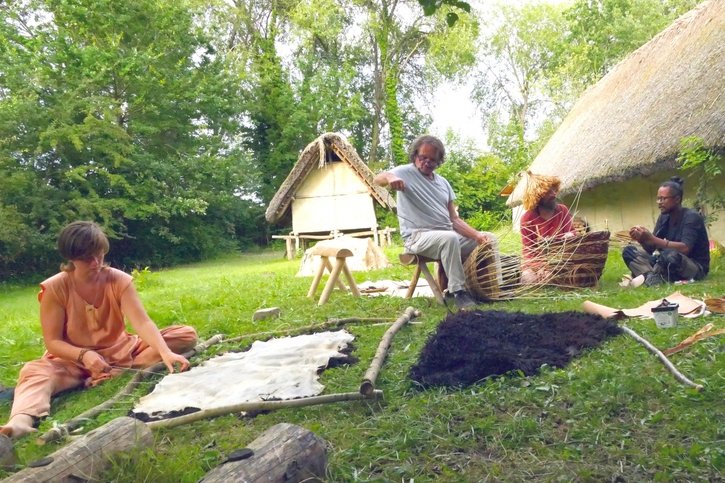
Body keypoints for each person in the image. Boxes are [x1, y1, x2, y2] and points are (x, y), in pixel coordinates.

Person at [0, 221, 198, 439]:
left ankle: (110, 372)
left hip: (121, 351)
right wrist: (85, 355)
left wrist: (164, 351)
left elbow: (142, 323)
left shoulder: (118, 280)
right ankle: (20, 421)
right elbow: (53, 342)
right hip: (71, 362)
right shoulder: (55, 288)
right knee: (34, 371)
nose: (95, 263)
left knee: (184, 334)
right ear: (71, 258)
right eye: (87, 258)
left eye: (99, 255)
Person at [373, 135, 501, 309]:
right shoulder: (405, 172)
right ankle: (459, 292)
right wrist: (390, 178)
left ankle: (493, 286)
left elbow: (454, 219)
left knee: (489, 238)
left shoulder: (443, 183)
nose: (426, 162)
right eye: (422, 157)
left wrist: (477, 236)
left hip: (447, 235)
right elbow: (376, 179)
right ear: (415, 155)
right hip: (417, 238)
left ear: (439, 161)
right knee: (449, 238)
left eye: (432, 159)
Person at [623, 177, 710, 286]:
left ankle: (648, 276)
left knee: (670, 255)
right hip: (666, 260)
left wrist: (652, 238)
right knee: (629, 251)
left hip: (693, 266)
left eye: (663, 199)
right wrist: (642, 239)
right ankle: (652, 277)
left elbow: (685, 248)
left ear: (677, 199)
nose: (659, 202)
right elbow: (651, 248)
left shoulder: (691, 217)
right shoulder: (664, 217)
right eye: (658, 199)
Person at [519, 172, 576, 284]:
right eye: (549, 192)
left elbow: (572, 232)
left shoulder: (562, 210)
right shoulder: (527, 219)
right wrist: (540, 267)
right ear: (537, 196)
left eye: (555, 190)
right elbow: (528, 250)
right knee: (529, 280)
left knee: (550, 277)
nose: (554, 194)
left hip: (560, 260)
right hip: (535, 262)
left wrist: (570, 235)